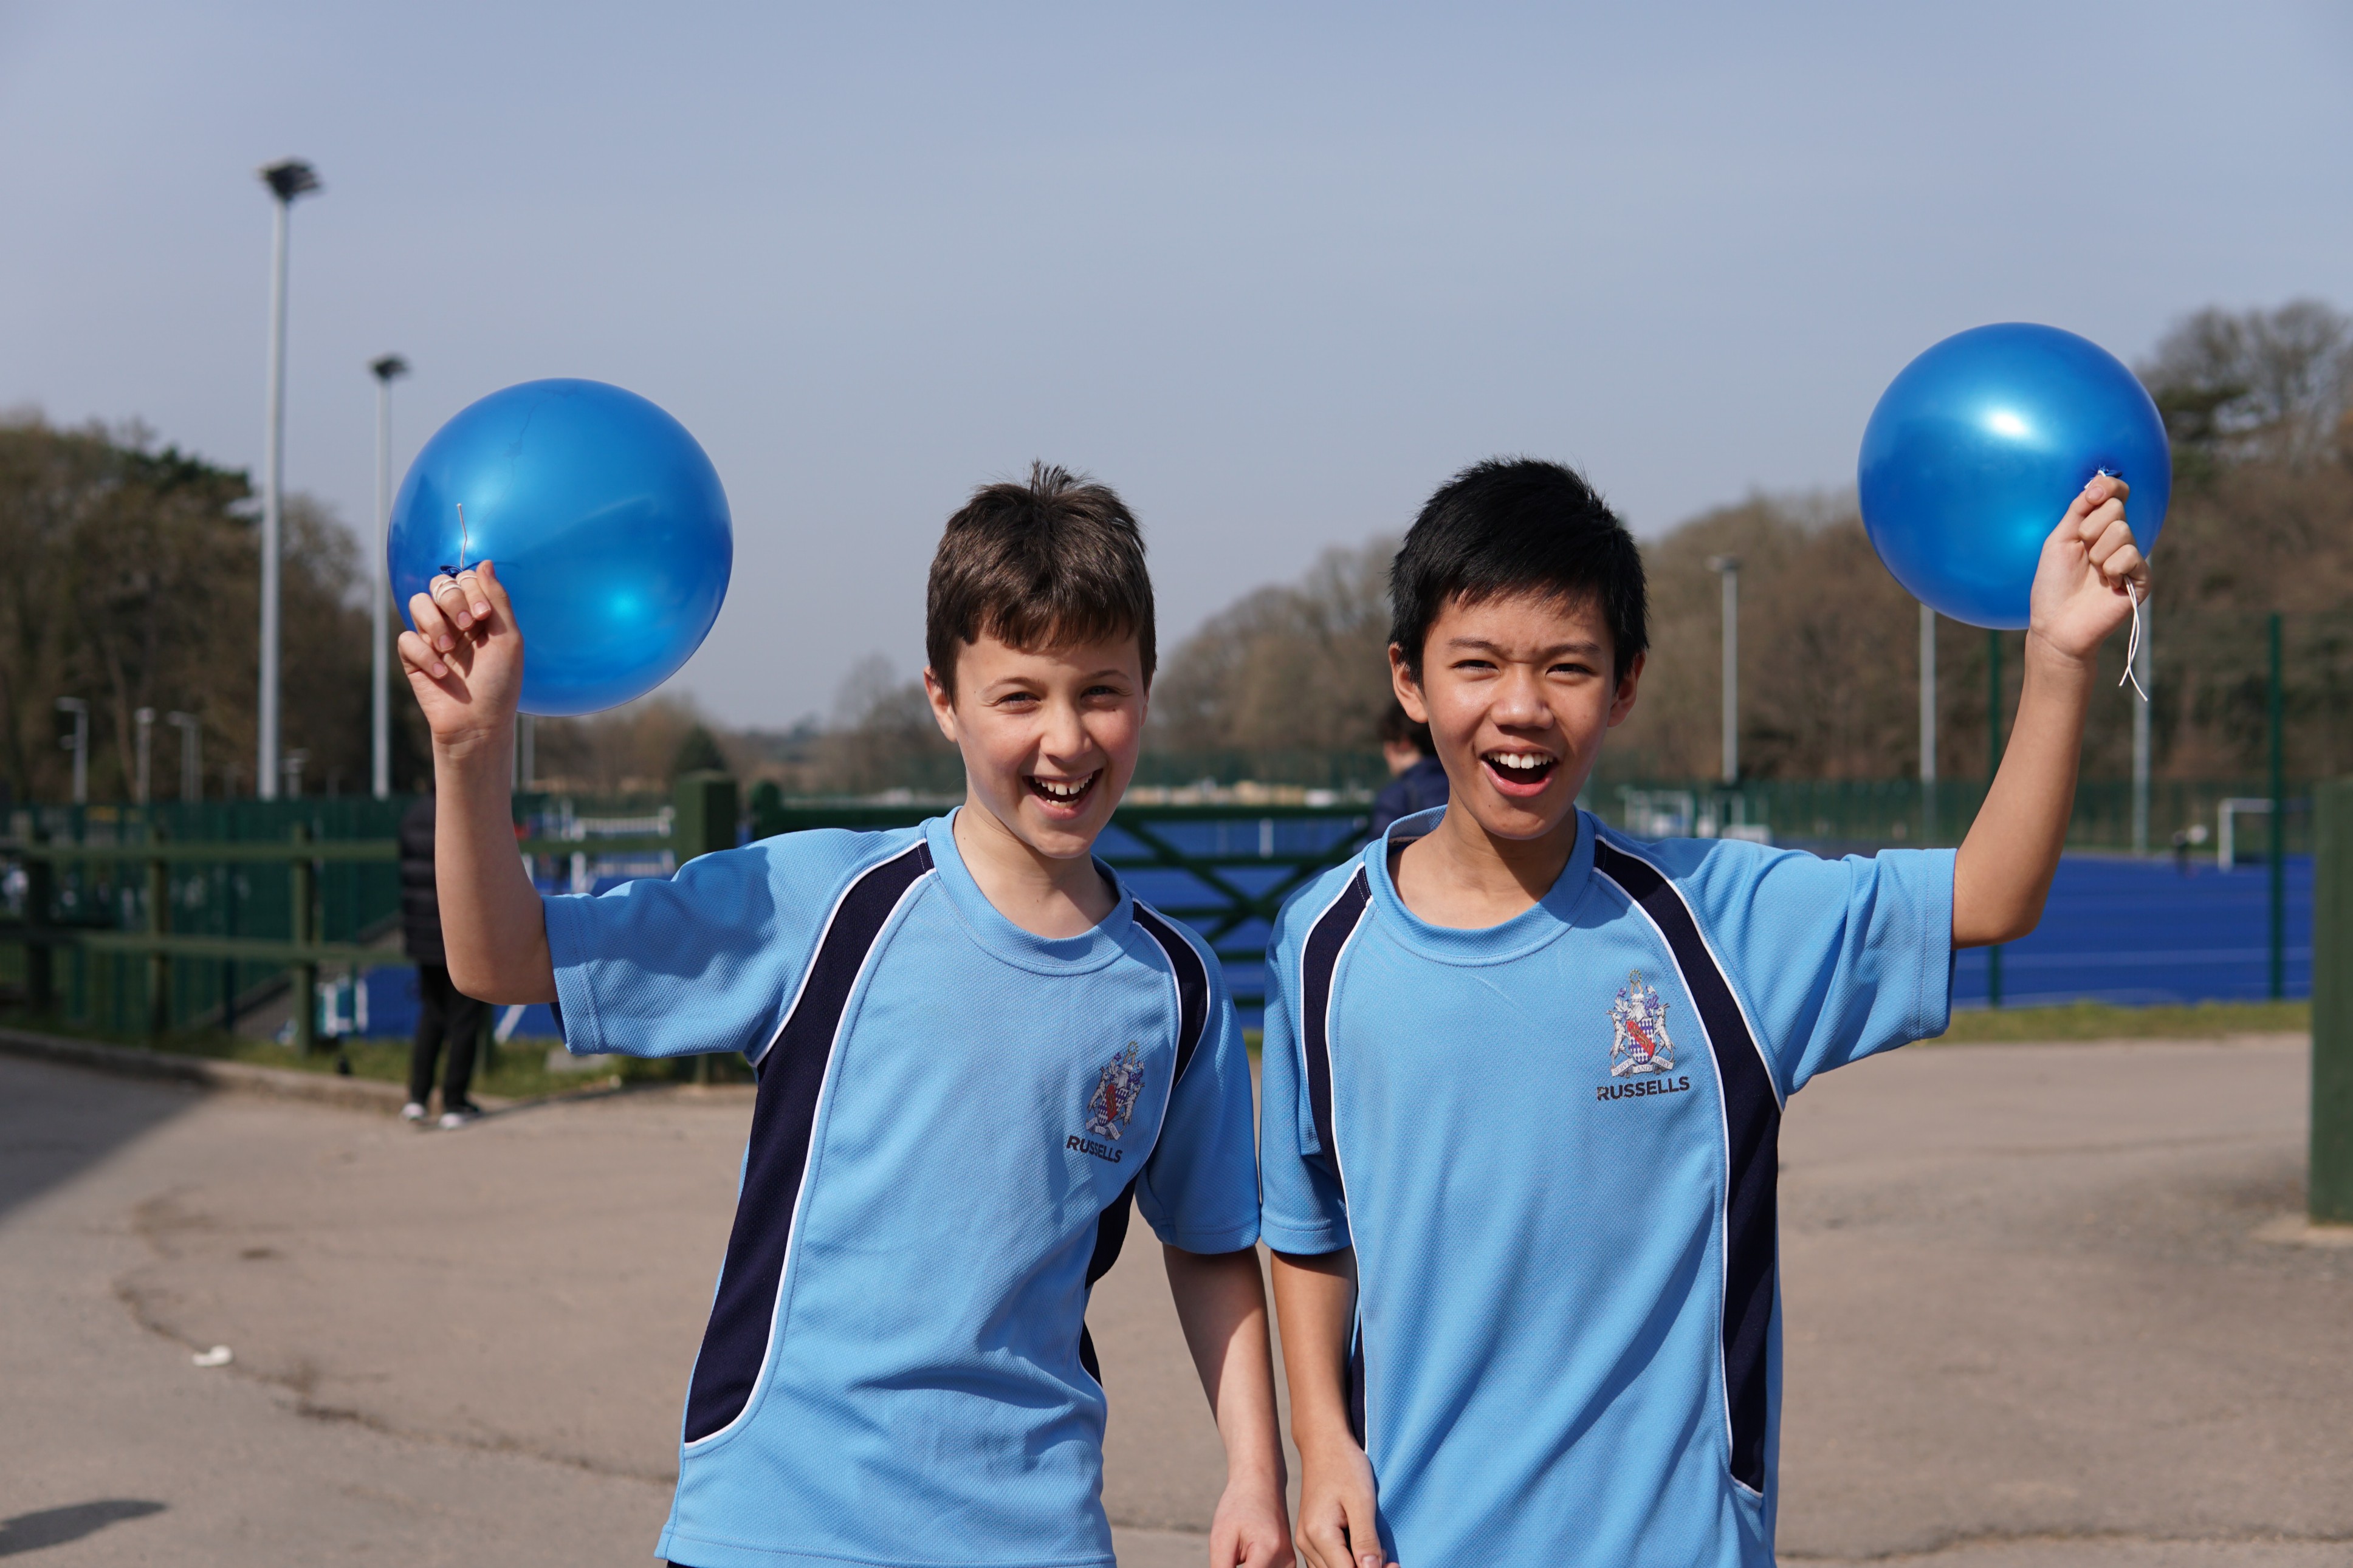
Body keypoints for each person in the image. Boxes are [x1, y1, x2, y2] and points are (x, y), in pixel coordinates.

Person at [1258, 458, 2151, 1568]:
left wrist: (2060, 658)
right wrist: (1320, 1443)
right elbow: (1307, 1228)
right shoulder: (1323, 945)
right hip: (1408, 1542)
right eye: (1476, 665)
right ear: (1409, 678)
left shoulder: (1722, 922)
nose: (1520, 707)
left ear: (1624, 685)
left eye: (1567, 667)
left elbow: (1990, 891)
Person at [398, 464, 1291, 1568]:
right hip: (772, 1528)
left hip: (1033, 1537)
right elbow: (502, 958)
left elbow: (1208, 1247)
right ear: (942, 699)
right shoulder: (816, 904)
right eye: (1019, 696)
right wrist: (469, 752)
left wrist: (1256, 1475)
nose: (1066, 738)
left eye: (1100, 690)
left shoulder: (1178, 987)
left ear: (1147, 690)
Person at [397, 791, 489, 1129]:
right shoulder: (468, 813)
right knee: (466, 1015)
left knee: (432, 1013)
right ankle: (454, 1101)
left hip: (422, 933)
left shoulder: (412, 816)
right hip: (459, 934)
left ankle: (416, 1098)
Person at [1366, 701, 1446, 840]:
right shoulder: (1462, 786)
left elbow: (1378, 856)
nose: (1385, 752)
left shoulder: (1397, 797)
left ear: (1403, 743)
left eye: (1387, 742)